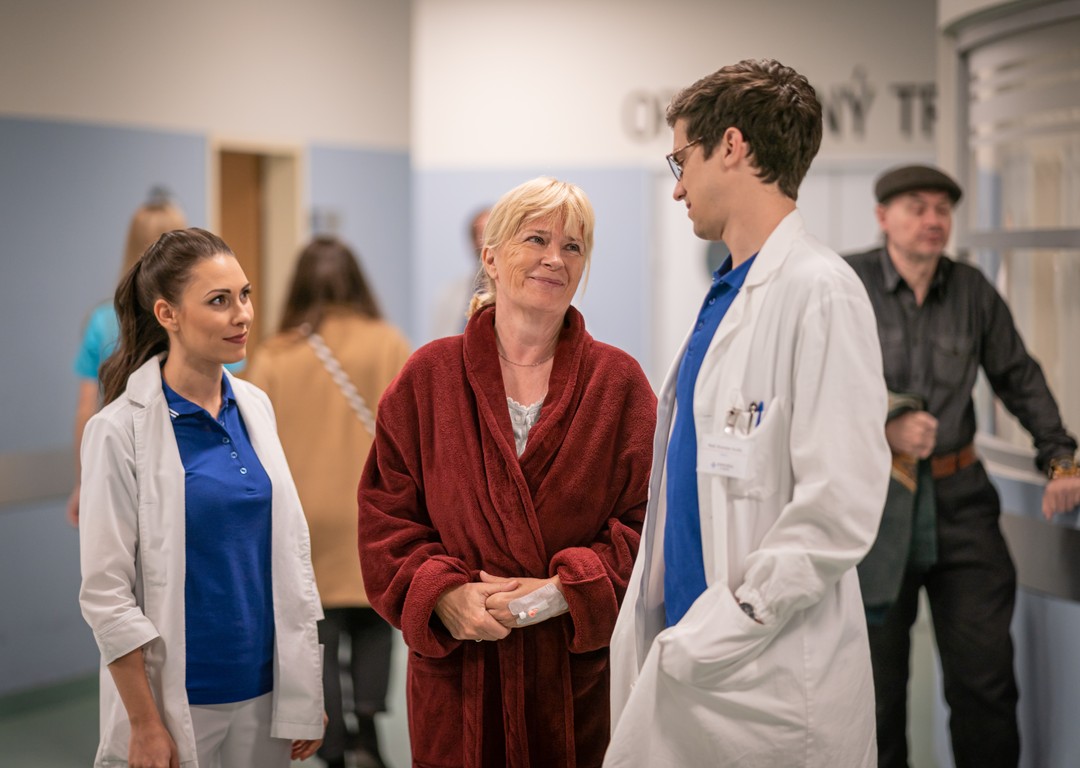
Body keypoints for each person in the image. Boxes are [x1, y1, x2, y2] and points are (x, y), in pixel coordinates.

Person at [605, 59, 891, 767]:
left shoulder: (820, 292)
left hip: (770, 673)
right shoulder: (729, 294)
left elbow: (841, 505)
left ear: (731, 146)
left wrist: (736, 619)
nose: (677, 187)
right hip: (694, 657)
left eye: (682, 160)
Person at [358, 176, 657, 768]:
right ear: (491, 258)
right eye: (536, 239)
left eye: (573, 247)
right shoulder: (428, 378)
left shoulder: (619, 385)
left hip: (572, 686)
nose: (555, 258)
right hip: (461, 686)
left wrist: (563, 593)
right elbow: (385, 522)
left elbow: (648, 526)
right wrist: (443, 595)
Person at [845, 164, 1080, 768]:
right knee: (875, 696)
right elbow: (816, 386)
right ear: (883, 217)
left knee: (985, 686)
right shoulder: (846, 284)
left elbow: (1019, 376)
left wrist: (1060, 457)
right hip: (876, 510)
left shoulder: (971, 290)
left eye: (943, 209)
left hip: (962, 504)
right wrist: (885, 424)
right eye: (917, 207)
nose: (933, 220)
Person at [78, 228, 325, 768]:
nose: (242, 315)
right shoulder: (118, 431)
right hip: (178, 698)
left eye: (245, 295)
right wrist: (144, 724)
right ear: (167, 314)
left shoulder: (255, 406)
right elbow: (106, 594)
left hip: (265, 689)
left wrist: (303, 687)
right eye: (219, 301)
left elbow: (285, 559)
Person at [246, 236, 411, 768]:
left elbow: (253, 442)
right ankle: (369, 730)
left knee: (317, 631)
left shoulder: (274, 355)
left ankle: (332, 746)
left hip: (302, 517)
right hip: (373, 511)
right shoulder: (388, 342)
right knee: (375, 618)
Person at [68, 188, 187, 526]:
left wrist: (83, 482)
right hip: (187, 461)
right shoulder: (196, 322)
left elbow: (86, 410)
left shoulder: (103, 321)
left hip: (121, 461)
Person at [429, 205, 490, 338]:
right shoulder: (450, 294)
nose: (488, 243)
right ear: (473, 242)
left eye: (494, 234)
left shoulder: (518, 292)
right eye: (482, 235)